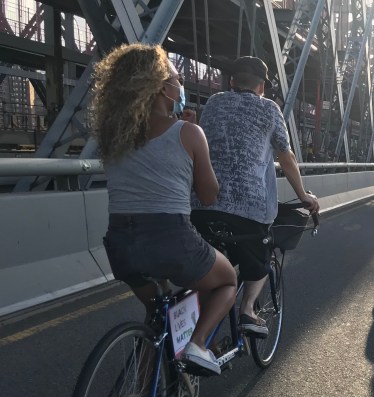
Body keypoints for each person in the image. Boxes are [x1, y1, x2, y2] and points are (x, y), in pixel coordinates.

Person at [96, 43, 236, 376]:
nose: (181, 85)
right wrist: (194, 139)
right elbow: (209, 195)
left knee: (156, 315)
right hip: (170, 239)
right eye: (177, 80)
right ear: (162, 87)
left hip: (121, 244)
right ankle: (197, 345)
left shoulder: (114, 137)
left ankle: (139, 392)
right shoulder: (189, 132)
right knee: (227, 281)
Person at [190, 56, 319, 337]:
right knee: (259, 257)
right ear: (262, 86)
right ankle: (248, 310)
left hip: (201, 204)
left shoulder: (213, 103)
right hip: (249, 209)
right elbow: (286, 157)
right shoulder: (269, 109)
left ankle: (198, 328)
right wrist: (303, 195)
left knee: (208, 264)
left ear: (231, 81)